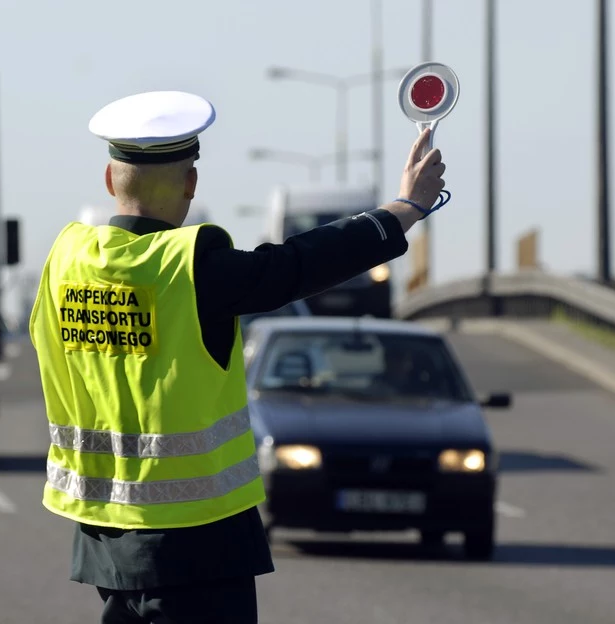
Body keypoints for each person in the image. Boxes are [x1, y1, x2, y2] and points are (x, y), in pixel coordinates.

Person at [28, 90, 447, 623]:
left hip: (106, 542)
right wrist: (403, 211)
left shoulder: (64, 261)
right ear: (191, 182)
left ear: (110, 182)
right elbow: (295, 266)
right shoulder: (190, 266)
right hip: (199, 544)